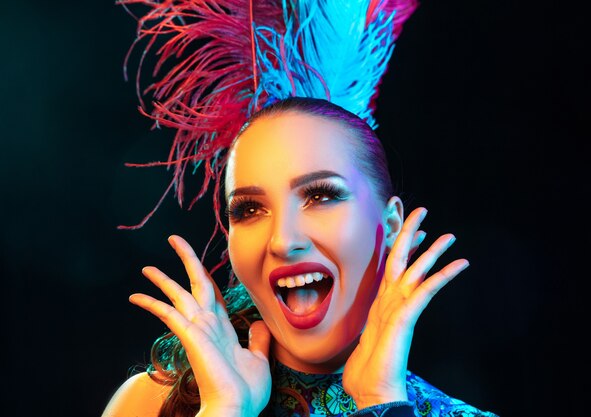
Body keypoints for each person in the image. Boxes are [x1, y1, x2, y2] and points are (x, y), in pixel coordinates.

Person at [104, 2, 498, 416]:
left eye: (321, 196)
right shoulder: (147, 404)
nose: (283, 240)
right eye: (250, 209)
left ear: (391, 223)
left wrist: (381, 401)